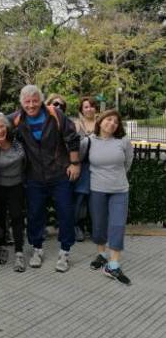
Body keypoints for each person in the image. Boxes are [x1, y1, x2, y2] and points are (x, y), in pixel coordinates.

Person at [12, 85, 80, 272]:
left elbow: (72, 137)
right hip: (34, 175)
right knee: (35, 214)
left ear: (40, 100)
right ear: (22, 103)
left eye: (35, 101)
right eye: (27, 102)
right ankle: (37, 249)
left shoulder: (54, 114)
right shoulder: (18, 118)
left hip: (59, 173)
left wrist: (74, 163)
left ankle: (65, 252)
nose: (31, 105)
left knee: (66, 212)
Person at [88, 110, 133, 285]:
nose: (112, 123)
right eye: (109, 119)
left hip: (120, 189)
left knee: (118, 224)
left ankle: (113, 265)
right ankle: (101, 254)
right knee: (99, 223)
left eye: (116, 122)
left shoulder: (123, 141)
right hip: (97, 188)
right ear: (101, 121)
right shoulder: (89, 141)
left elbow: (128, 162)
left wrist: (117, 177)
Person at [0, 114, 27, 272]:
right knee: (0, 219)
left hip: (17, 185)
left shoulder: (17, 139)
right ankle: (2, 248)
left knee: (17, 217)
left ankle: (19, 253)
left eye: (2, 126)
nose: (0, 131)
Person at [73, 96, 98, 241]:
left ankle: (94, 226)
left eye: (91, 106)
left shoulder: (101, 123)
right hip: (83, 165)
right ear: (81, 110)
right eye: (86, 107)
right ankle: (77, 225)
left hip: (98, 166)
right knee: (80, 197)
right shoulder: (77, 125)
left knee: (96, 198)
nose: (89, 109)